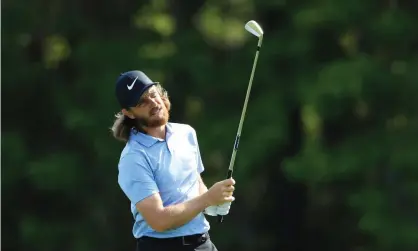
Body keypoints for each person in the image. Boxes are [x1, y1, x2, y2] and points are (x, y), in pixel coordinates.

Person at [110, 70, 236, 251]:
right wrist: (207, 199)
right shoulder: (133, 157)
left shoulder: (186, 133)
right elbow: (159, 220)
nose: (153, 103)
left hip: (201, 243)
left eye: (152, 94)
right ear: (129, 113)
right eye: (142, 102)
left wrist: (214, 204)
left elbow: (195, 184)